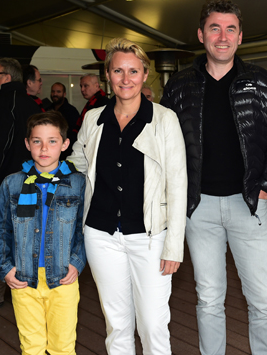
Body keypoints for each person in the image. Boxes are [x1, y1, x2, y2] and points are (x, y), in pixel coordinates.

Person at [161, 0, 267, 355]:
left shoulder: (260, 81)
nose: (222, 36)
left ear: (240, 36)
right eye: (214, 28)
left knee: (262, 298)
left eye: (230, 28)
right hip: (198, 208)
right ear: (201, 35)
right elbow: (165, 146)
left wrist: (266, 188)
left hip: (248, 204)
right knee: (208, 298)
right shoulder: (179, 85)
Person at [68, 37, 187, 355]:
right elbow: (78, 164)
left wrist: (174, 245)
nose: (126, 79)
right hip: (100, 235)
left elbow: (177, 184)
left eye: (133, 71)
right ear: (108, 75)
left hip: (149, 238)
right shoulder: (94, 120)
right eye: (118, 71)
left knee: (152, 324)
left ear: (145, 74)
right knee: (117, 324)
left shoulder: (164, 120)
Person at [0, 111, 86, 354]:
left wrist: (77, 261)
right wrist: (5, 267)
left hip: (63, 278)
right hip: (23, 279)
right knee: (31, 346)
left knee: (62, 346)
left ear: (64, 144)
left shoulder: (78, 184)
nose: (44, 148)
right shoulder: (12, 183)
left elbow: (85, 229)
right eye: (37, 141)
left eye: (52, 141)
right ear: (27, 143)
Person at [0, 58, 41, 309]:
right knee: (22, 239)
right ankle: (24, 292)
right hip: (27, 184)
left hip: (1, 186)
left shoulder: (4, 103)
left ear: (6, 77)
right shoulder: (29, 105)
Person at [49, 82, 80, 157]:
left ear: (64, 94)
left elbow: (74, 135)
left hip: (65, 152)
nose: (55, 94)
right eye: (53, 91)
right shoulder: (47, 109)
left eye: (58, 92)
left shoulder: (71, 111)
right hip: (49, 150)